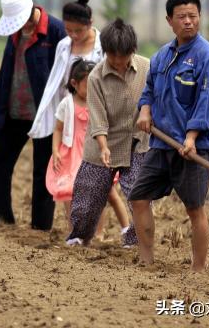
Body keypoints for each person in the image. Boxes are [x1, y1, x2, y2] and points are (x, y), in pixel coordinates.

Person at [129, 0, 209, 272]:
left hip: (195, 146)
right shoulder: (161, 56)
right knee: (138, 196)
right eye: (182, 17)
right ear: (170, 20)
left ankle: (199, 270)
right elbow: (149, 91)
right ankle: (146, 261)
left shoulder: (207, 56)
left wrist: (191, 138)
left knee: (194, 208)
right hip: (162, 143)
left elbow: (207, 102)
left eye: (193, 16)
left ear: (200, 17)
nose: (189, 22)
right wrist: (145, 111)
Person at [31, 0, 129, 238]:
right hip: (73, 117)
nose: (73, 35)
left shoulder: (102, 48)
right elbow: (57, 80)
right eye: (69, 30)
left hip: (97, 119)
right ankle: (77, 231)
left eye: (78, 31)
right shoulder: (64, 45)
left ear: (90, 24)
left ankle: (96, 232)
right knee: (72, 183)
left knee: (99, 182)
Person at [0, 0, 66, 230]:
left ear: (31, 14)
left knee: (43, 170)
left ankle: (40, 227)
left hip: (45, 115)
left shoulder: (56, 32)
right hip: (14, 112)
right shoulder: (15, 33)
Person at [66, 18, 150, 247]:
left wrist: (148, 113)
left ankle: (135, 240)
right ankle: (79, 237)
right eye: (113, 56)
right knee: (88, 198)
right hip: (101, 146)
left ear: (133, 51)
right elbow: (98, 118)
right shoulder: (95, 78)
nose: (119, 62)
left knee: (139, 195)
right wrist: (104, 147)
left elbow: (153, 98)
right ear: (105, 52)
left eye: (124, 56)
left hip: (136, 143)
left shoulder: (146, 68)